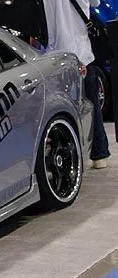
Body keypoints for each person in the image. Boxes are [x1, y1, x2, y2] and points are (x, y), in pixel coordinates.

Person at [44, 0, 111, 168]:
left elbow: (45, 24)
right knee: (93, 105)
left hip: (59, 58)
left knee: (63, 110)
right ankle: (99, 155)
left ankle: (70, 157)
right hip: (83, 53)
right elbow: (96, 3)